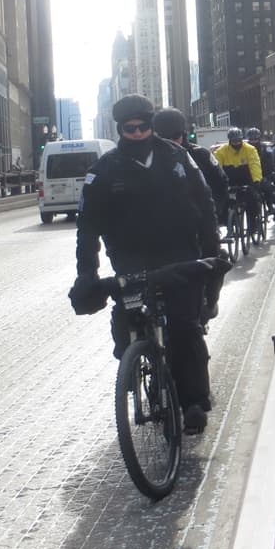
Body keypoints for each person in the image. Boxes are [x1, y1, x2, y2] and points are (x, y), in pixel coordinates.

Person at [67, 94, 224, 434]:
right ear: (120, 128)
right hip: (131, 259)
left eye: (143, 127)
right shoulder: (103, 170)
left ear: (151, 124)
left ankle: (194, 400)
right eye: (129, 128)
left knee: (185, 326)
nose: (137, 134)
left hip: (179, 254)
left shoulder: (177, 158)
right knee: (129, 320)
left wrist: (212, 251)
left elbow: (205, 203)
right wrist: (87, 272)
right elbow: (87, 227)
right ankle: (136, 358)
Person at [153, 107, 229, 236]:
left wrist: (213, 212)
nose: (171, 142)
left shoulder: (202, 154)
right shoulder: (150, 159)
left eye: (176, 136)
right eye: (165, 137)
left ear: (183, 134)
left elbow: (221, 182)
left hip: (200, 217)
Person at [213, 127, 263, 236]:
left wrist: (256, 180)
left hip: (246, 180)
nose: (236, 143)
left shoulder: (250, 149)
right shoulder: (221, 151)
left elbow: (255, 164)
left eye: (238, 140)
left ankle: (252, 225)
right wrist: (218, 184)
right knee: (223, 203)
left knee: (252, 201)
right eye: (234, 141)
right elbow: (217, 168)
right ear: (230, 140)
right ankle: (229, 225)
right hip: (229, 181)